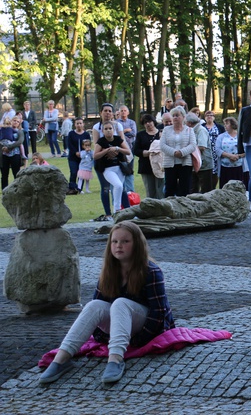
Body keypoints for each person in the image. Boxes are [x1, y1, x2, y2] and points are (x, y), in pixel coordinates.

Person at [38, 221, 174, 385]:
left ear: (137, 244)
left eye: (125, 241)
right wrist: (102, 336)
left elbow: (158, 313)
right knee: (93, 305)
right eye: (115, 241)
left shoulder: (151, 271)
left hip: (147, 326)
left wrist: (137, 340)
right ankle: (61, 359)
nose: (119, 246)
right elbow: (99, 308)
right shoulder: (109, 271)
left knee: (121, 303)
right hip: (121, 324)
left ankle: (115, 359)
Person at [91, 103, 130, 221]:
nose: (107, 113)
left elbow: (122, 142)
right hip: (103, 162)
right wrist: (108, 151)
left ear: (113, 113)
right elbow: (96, 144)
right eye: (105, 111)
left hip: (118, 160)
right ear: (101, 113)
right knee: (105, 188)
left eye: (109, 111)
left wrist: (116, 150)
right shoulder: (96, 127)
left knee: (121, 187)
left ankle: (127, 210)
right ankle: (108, 213)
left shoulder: (118, 126)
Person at [94, 122, 131, 213]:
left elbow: (128, 151)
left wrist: (117, 148)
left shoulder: (118, 139)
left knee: (119, 188)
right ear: (102, 131)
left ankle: (117, 210)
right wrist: (106, 150)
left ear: (114, 130)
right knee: (118, 185)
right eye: (106, 129)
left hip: (119, 168)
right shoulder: (101, 142)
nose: (108, 131)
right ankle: (117, 209)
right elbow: (95, 156)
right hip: (107, 169)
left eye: (110, 128)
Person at [160, 107, 196, 197]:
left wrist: (182, 152)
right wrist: (174, 152)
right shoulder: (166, 130)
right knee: (169, 189)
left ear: (183, 117)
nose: (175, 117)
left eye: (177, 115)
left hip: (185, 163)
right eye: (173, 116)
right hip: (170, 163)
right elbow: (162, 145)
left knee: (185, 189)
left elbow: (192, 145)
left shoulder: (189, 130)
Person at [133, 114, 164, 199]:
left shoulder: (161, 133)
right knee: (150, 191)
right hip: (146, 166)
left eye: (149, 121)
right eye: (145, 122)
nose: (148, 124)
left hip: (160, 165)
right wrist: (145, 153)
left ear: (154, 122)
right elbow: (135, 150)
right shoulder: (140, 135)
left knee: (161, 190)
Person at [215, 117, 246, 189]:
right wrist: (229, 156)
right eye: (224, 124)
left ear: (233, 124)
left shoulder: (240, 136)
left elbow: (246, 149)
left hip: (238, 166)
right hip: (225, 167)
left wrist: (237, 156)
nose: (225, 125)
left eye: (227, 124)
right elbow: (217, 150)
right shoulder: (221, 136)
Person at [186, 112, 213, 193]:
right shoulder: (190, 131)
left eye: (185, 122)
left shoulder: (201, 130)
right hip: (194, 165)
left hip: (204, 165)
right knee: (192, 189)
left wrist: (187, 149)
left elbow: (202, 147)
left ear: (189, 123)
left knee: (206, 190)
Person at [67, 117, 91, 194]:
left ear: (83, 124)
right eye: (77, 123)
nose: (79, 125)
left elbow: (88, 144)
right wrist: (76, 152)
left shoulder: (86, 134)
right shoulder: (71, 134)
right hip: (73, 157)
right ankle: (72, 188)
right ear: (75, 124)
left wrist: (84, 152)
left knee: (82, 173)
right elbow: (69, 145)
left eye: (80, 123)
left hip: (83, 158)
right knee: (73, 172)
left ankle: (79, 188)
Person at [202, 110, 225, 189]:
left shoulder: (219, 127)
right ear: (204, 118)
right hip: (205, 152)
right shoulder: (202, 127)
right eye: (207, 115)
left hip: (216, 153)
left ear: (214, 117)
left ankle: (213, 187)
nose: (209, 117)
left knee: (215, 172)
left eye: (211, 115)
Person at [1, 116, 25, 189]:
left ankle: (17, 189)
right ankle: (4, 189)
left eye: (18, 121)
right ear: (11, 121)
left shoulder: (19, 131)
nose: (15, 122)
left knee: (16, 173)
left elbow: (20, 142)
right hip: (4, 154)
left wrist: (9, 148)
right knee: (4, 174)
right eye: (14, 120)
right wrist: (4, 147)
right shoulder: (5, 129)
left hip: (15, 154)